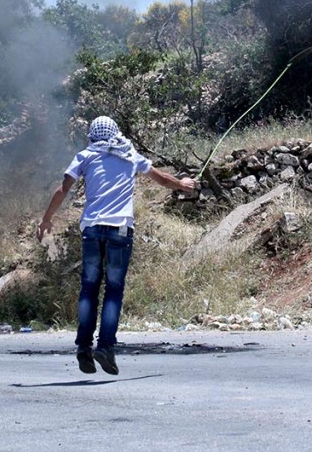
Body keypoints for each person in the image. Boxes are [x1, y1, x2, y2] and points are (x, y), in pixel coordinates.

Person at [39, 116, 196, 376]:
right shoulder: (128, 154)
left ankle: (83, 347)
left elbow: (62, 189)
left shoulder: (85, 156)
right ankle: (105, 346)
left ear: (92, 135)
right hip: (120, 230)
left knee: (89, 288)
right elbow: (161, 178)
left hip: (91, 229)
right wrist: (182, 184)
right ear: (116, 133)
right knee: (113, 289)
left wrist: (46, 220)